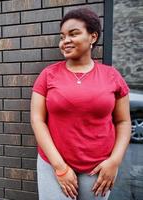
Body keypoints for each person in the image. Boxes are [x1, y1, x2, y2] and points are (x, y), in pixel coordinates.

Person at [30, 8, 131, 200]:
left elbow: (123, 122)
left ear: (93, 37)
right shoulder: (48, 75)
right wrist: (60, 168)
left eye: (73, 34)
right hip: (53, 164)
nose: (65, 41)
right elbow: (37, 120)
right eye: (62, 36)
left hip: (99, 166)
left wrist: (114, 162)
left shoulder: (112, 76)